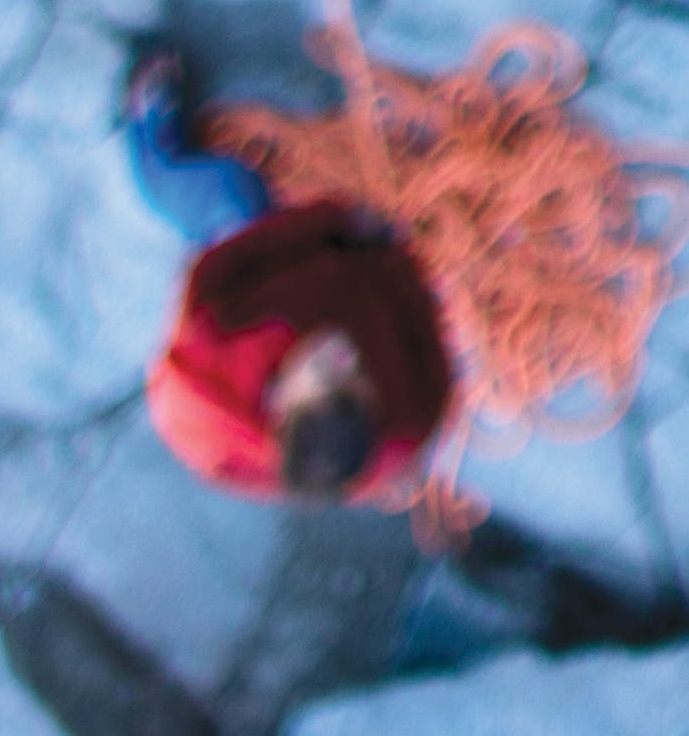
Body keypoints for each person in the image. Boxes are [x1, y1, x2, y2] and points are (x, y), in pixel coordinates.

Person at [121, 43, 453, 506]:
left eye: (326, 372)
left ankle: (149, 131)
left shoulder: (209, 362)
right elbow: (431, 348)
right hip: (359, 265)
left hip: (267, 262)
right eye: (360, 376)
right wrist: (392, 256)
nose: (345, 351)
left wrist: (333, 221)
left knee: (231, 193)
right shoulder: (407, 428)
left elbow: (229, 260)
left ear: (279, 403)